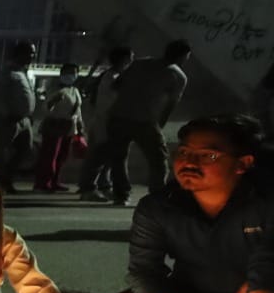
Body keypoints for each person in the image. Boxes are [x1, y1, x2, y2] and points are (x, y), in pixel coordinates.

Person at [125, 114, 274, 293]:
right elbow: (144, 269)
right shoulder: (159, 207)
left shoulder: (265, 203)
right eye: (184, 152)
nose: (189, 163)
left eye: (208, 155)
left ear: (243, 163)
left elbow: (266, 269)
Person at [87, 39, 191, 207]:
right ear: (183, 56)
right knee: (158, 159)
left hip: (119, 116)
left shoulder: (139, 63)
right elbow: (170, 106)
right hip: (145, 121)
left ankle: (121, 195)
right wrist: (159, 124)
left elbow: (116, 85)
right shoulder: (178, 76)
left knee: (118, 158)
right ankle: (156, 194)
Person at [77, 46, 133, 200]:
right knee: (98, 158)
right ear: (123, 59)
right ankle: (88, 188)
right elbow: (111, 103)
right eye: (130, 58)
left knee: (106, 158)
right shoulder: (113, 78)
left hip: (107, 122)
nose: (131, 61)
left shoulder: (112, 76)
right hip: (107, 123)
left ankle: (103, 185)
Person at [0, 41, 37, 192]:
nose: (32, 56)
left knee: (26, 149)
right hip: (9, 119)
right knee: (2, 150)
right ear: (19, 54)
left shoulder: (24, 72)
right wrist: (6, 114)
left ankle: (5, 177)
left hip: (24, 119)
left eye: (33, 53)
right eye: (30, 53)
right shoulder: (8, 73)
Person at [32, 64, 84, 192]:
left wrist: (80, 126)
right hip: (54, 125)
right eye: (68, 72)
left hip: (68, 126)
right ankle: (43, 182)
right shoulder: (54, 89)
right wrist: (53, 102)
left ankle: (55, 181)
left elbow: (77, 110)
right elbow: (45, 109)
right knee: (50, 155)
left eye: (74, 73)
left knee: (62, 156)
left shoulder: (74, 90)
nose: (71, 76)